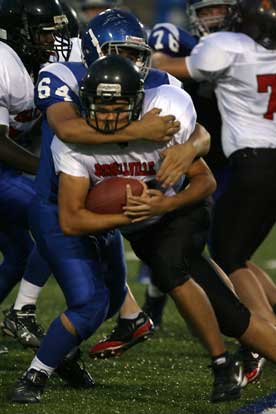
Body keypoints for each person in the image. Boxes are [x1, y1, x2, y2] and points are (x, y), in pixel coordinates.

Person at [10, 54, 246, 404]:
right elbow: (72, 219)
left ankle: (70, 352)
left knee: (109, 302)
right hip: (74, 217)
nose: (107, 116)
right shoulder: (74, 142)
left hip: (138, 217)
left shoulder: (165, 118)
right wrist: (132, 215)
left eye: (117, 106)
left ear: (138, 103)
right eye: (99, 106)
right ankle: (34, 375)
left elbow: (204, 174)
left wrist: (165, 200)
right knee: (90, 304)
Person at [2, 8, 210, 351]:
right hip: (67, 178)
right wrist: (141, 128)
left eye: (135, 54)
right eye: (120, 54)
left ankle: (123, 318)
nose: (130, 63)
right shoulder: (62, 72)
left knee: (103, 292)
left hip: (107, 181)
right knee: (58, 244)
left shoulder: (162, 83)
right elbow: (68, 129)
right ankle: (27, 311)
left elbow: (198, 132)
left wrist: (191, 148)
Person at [151, 0, 276, 370]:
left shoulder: (228, 48)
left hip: (253, 163)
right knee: (240, 252)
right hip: (270, 160)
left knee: (229, 256)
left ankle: (263, 334)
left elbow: (165, 67)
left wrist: (149, 54)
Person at [0, 0, 71, 353]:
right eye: (44, 33)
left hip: (6, 170)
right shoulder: (2, 61)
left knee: (19, 253)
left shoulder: (36, 64)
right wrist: (48, 169)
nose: (52, 40)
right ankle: (22, 314)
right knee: (57, 216)